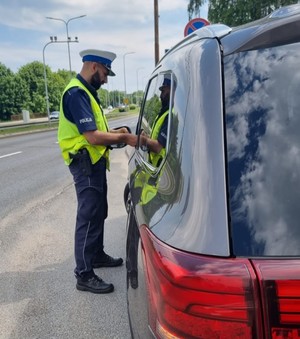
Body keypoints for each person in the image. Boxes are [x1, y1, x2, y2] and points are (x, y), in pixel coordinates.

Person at [58, 49, 137, 294]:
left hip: (93, 163)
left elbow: (96, 129)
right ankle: (84, 274)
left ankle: (96, 255)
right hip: (85, 164)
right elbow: (92, 137)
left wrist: (117, 132)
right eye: (104, 73)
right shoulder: (76, 93)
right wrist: (124, 136)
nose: (105, 79)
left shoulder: (87, 92)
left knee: (99, 211)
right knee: (88, 216)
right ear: (94, 66)